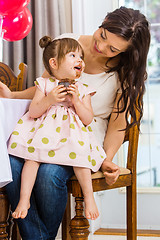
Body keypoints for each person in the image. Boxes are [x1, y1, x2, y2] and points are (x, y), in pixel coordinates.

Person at [0, 6, 150, 240]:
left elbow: (118, 124)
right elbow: (46, 86)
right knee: (9, 161)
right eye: (102, 36)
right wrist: (13, 96)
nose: (101, 47)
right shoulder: (67, 44)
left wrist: (106, 159)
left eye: (112, 49)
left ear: (125, 52)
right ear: (105, 20)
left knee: (48, 174)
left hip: (83, 137)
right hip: (47, 129)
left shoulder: (125, 71)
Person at [8, 36, 106, 220]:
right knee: (31, 159)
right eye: (73, 55)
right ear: (54, 63)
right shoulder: (44, 84)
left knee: (81, 159)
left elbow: (87, 119)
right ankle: (24, 199)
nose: (80, 60)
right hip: (43, 134)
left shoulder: (83, 89)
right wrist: (50, 99)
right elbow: (34, 111)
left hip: (71, 138)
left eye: (81, 56)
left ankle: (89, 197)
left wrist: (76, 100)